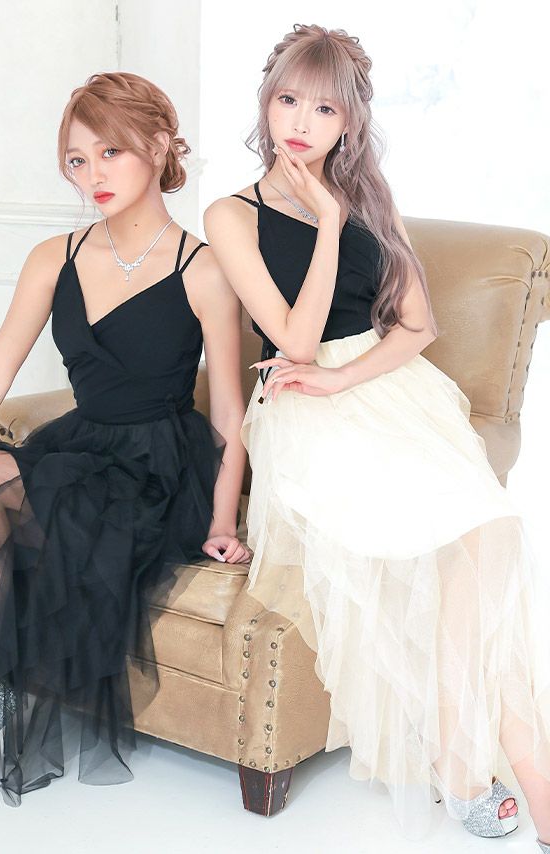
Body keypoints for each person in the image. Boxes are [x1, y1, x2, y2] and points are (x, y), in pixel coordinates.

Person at [204, 23, 550, 846]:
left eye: (325, 108)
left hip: (385, 392)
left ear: (350, 122)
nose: (301, 122)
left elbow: (418, 327)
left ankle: (471, 758)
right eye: (289, 99)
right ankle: (520, 776)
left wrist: (345, 374)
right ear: (265, 101)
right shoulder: (231, 214)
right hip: (302, 410)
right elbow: (294, 342)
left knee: (488, 531)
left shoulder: (367, 198)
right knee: (459, 541)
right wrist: (326, 225)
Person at [0, 71, 249, 807]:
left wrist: (223, 522)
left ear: (158, 147)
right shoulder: (53, 258)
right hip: (79, 448)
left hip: (158, 468)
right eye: (76, 159)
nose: (92, 175)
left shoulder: (204, 269)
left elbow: (230, 410)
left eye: (110, 153)